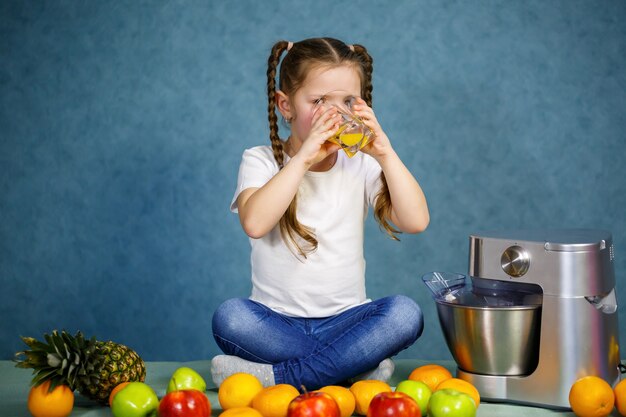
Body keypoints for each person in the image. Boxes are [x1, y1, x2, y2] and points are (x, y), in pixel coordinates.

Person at [211, 37, 429, 390]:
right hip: (275, 323)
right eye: (318, 101)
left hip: (347, 320)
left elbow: (416, 221)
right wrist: (304, 158)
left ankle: (278, 377)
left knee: (405, 314)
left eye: (347, 101)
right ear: (286, 105)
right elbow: (254, 223)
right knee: (230, 318)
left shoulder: (360, 164)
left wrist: (385, 153)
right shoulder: (261, 160)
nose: (335, 112)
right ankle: (353, 370)